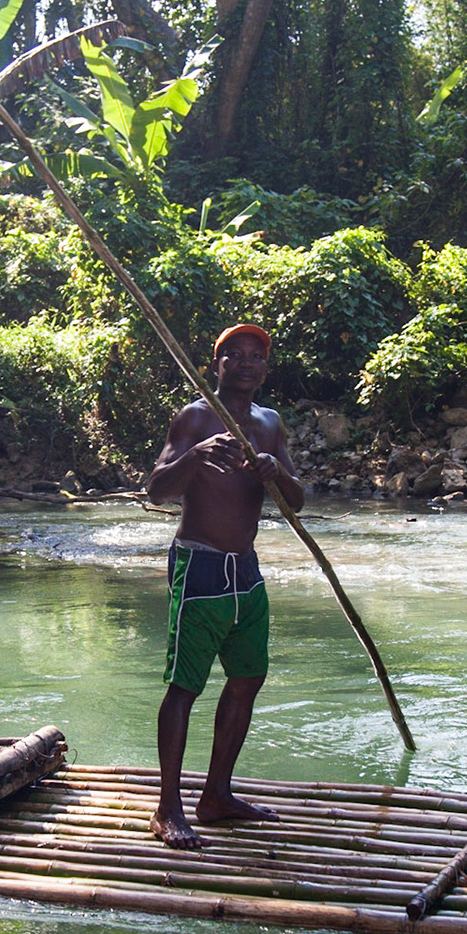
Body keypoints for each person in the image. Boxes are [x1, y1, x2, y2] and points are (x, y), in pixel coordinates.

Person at [142, 322, 306, 849]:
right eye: (234, 354)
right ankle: (167, 809)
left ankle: (216, 796)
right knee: (185, 686)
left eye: (256, 355)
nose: (246, 362)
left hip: (245, 571)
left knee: (247, 678)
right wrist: (195, 456)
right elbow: (156, 491)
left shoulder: (269, 423)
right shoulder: (195, 417)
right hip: (199, 566)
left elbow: (298, 499)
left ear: (265, 368)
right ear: (217, 365)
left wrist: (275, 472)